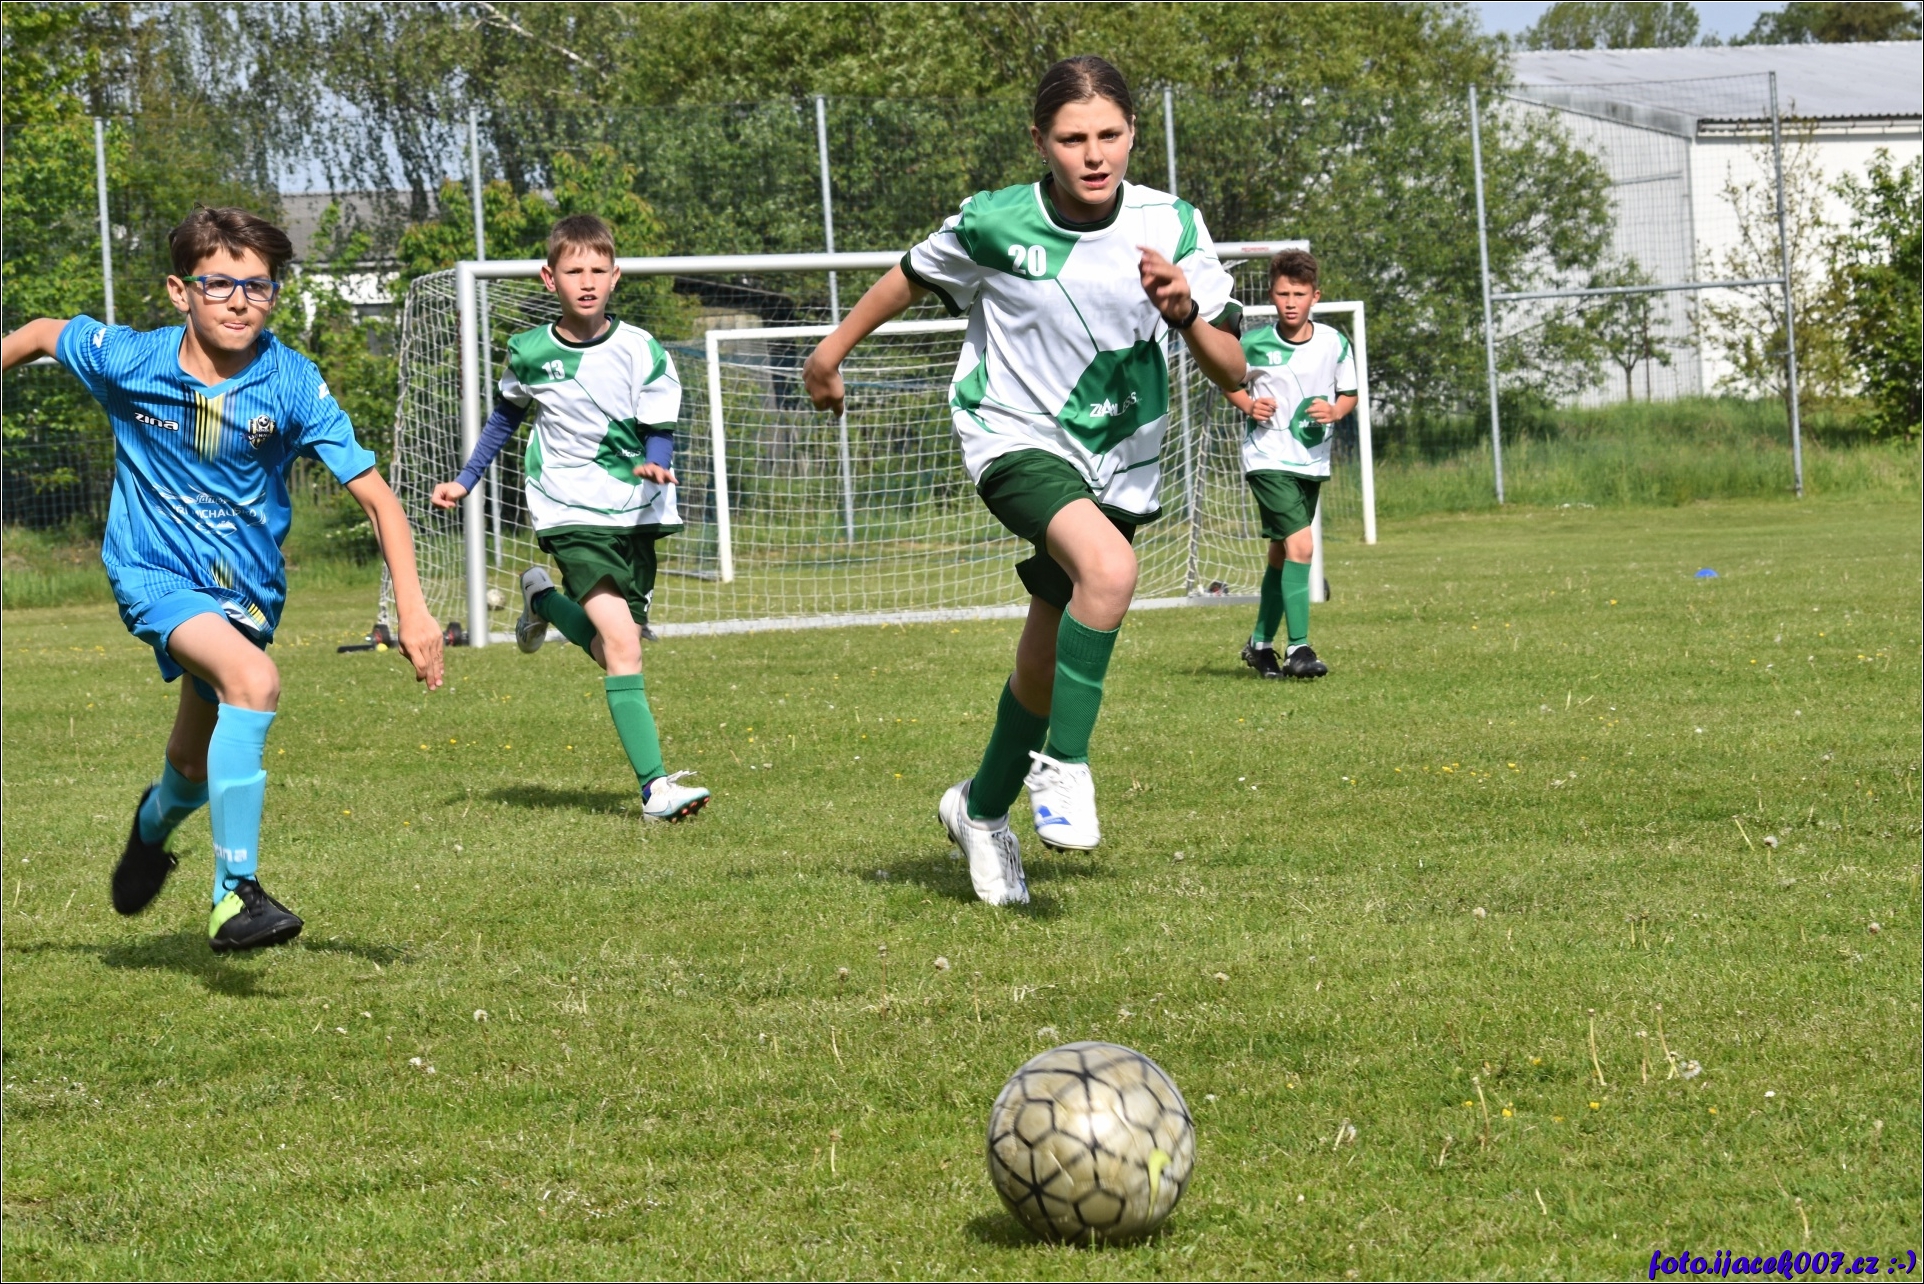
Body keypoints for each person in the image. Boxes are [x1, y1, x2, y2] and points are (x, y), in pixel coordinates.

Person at [802, 55, 1245, 906]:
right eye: (1073, 139)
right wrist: (829, 354)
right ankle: (1064, 768)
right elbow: (908, 277)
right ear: (1040, 141)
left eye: (1109, 134)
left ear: (1133, 134)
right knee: (1110, 570)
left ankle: (980, 810)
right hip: (1013, 440)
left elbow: (1232, 370)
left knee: (1043, 664)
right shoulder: (994, 221)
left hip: (1119, 459)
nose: (1094, 155)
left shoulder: (1173, 224)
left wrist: (1185, 311)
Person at [0, 206, 444, 951]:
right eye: (219, 284)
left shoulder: (292, 381)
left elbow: (378, 499)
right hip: (152, 573)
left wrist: (415, 608)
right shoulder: (130, 360)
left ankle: (151, 830)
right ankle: (234, 894)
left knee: (189, 763)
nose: (239, 302)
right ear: (181, 291)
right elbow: (46, 331)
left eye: (258, 286)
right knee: (254, 681)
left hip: (246, 593)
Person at [432, 214, 709, 823]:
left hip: (634, 511)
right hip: (567, 508)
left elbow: (660, 425)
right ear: (548, 277)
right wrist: (465, 479)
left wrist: (657, 463)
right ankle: (655, 790)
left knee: (617, 648)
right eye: (573, 270)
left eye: (597, 270)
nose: (586, 281)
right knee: (623, 645)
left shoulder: (641, 349)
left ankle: (543, 602)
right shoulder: (531, 352)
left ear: (616, 276)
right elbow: (505, 419)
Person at [1225, 248, 1357, 680]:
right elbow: (1226, 378)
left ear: (1315, 296)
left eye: (1299, 294)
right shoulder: (1254, 342)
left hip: (1311, 462)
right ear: (1272, 295)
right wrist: (1248, 404)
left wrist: (1335, 411)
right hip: (1267, 459)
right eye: (1283, 294)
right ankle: (1298, 648)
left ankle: (1260, 645)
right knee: (1301, 545)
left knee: (1283, 554)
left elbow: (1349, 392)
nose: (1291, 302)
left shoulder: (1334, 343)